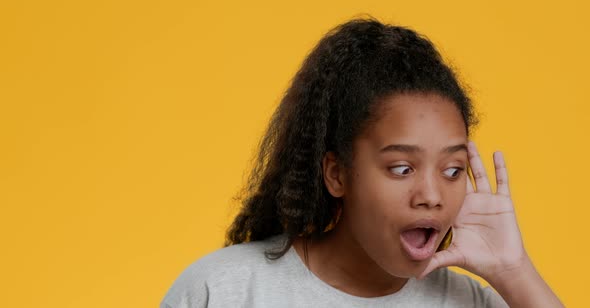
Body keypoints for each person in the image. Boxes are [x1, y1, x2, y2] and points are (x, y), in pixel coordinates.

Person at [160, 17, 563, 307]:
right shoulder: (224, 290)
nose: (432, 195)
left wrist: (514, 270)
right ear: (337, 174)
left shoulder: (467, 301)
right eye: (402, 169)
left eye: (453, 170)